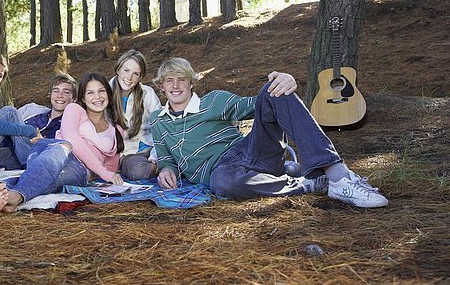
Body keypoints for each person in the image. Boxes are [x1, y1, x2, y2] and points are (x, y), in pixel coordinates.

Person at [149, 57, 388, 208]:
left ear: (191, 83)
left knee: (274, 91)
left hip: (248, 151)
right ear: (161, 87)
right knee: (222, 183)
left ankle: (339, 177)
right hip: (221, 173)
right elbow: (166, 158)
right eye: (169, 81)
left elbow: (259, 104)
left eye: (181, 79)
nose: (175, 86)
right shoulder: (158, 122)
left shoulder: (214, 101)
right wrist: (166, 169)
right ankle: (305, 183)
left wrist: (284, 81)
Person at [0, 72, 127, 215]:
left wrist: (102, 175)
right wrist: (101, 170)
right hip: (52, 149)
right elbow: (72, 139)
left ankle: (8, 196)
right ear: (83, 98)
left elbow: (111, 169)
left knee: (58, 178)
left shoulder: (116, 129)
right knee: (62, 148)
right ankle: (11, 196)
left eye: (101, 91)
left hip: (80, 168)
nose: (97, 97)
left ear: (109, 94)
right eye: (90, 92)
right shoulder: (74, 110)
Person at [109, 50, 162, 180]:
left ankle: (164, 165)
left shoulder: (147, 93)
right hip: (120, 152)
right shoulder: (104, 93)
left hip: (146, 148)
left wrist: (155, 155)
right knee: (136, 171)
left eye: (135, 74)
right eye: (126, 70)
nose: (129, 77)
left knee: (139, 171)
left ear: (140, 77)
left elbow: (160, 126)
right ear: (118, 69)